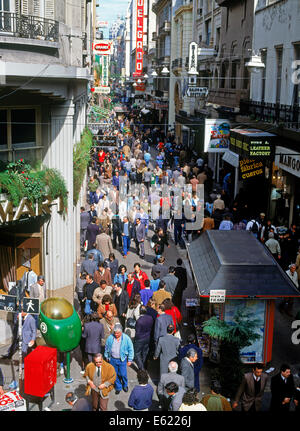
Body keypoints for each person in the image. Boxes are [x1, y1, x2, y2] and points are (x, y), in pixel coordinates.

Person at [104, 323, 134, 394]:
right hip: (112, 359)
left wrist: (130, 360)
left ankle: (125, 385)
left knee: (123, 374)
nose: (116, 334)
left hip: (122, 360)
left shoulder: (126, 338)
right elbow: (107, 347)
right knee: (114, 374)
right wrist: (107, 356)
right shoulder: (110, 338)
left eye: (118, 333)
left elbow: (131, 349)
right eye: (115, 333)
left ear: (121, 332)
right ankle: (118, 387)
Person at [134, 306, 154, 370]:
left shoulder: (139, 321)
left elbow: (137, 331)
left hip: (140, 338)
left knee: (136, 353)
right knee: (145, 352)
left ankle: (142, 368)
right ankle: (145, 366)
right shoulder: (150, 318)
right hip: (147, 337)